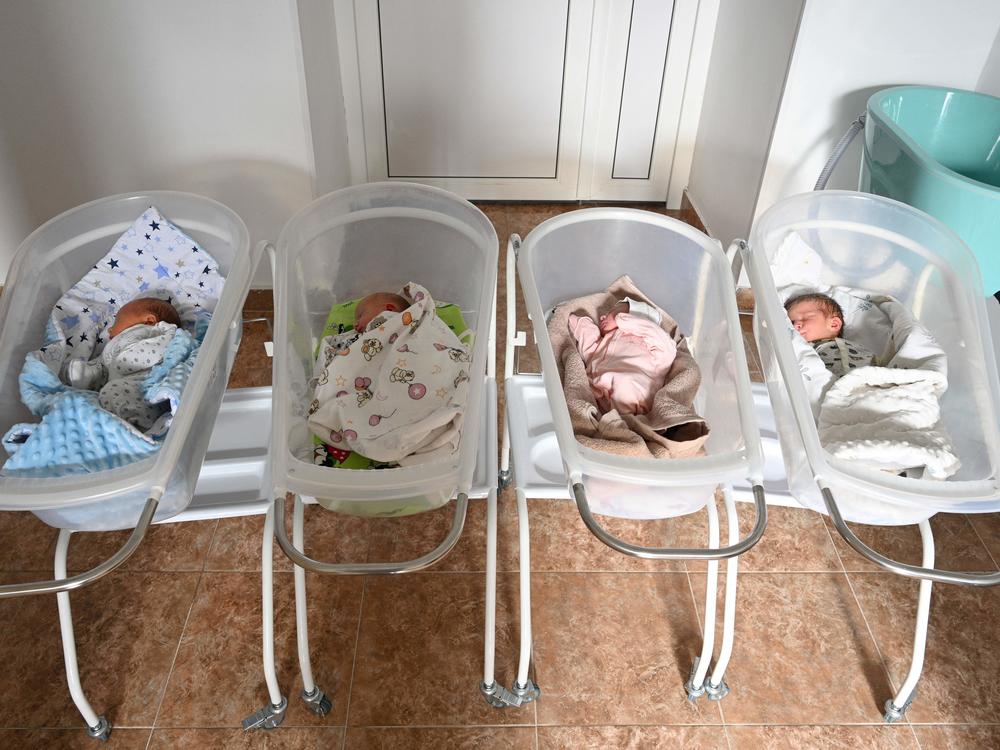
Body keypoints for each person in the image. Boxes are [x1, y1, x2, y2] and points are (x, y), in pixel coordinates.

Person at [66, 297, 182, 430]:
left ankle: (125, 426)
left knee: (112, 391)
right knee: (94, 395)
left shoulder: (158, 332)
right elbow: (105, 367)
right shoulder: (112, 346)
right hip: (119, 384)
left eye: (117, 321)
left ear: (149, 320)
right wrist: (89, 373)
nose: (110, 329)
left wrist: (124, 362)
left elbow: (159, 350)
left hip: (143, 385)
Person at [569, 297, 677, 416]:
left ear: (630, 317)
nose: (602, 317)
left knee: (625, 385)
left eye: (611, 313)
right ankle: (611, 424)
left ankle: (621, 424)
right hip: (598, 391)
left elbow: (662, 341)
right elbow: (590, 351)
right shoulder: (606, 341)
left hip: (633, 392)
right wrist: (582, 325)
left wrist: (621, 320)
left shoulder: (652, 346)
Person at [785, 292, 873, 377]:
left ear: (833, 324)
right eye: (792, 322)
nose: (796, 324)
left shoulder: (848, 347)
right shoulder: (798, 349)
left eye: (805, 318)